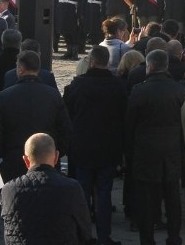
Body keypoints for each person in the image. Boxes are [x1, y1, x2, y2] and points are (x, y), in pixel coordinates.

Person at [63, 45, 127, 245]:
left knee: (82, 193)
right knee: (104, 193)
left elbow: (67, 115)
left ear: (91, 61)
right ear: (107, 62)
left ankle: (83, 235)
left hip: (82, 147)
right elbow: (123, 117)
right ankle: (104, 236)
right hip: (108, 147)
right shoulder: (117, 86)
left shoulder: (77, 85)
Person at [125, 49, 185, 245]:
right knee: (172, 196)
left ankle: (147, 239)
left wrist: (129, 152)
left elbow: (130, 124)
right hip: (171, 150)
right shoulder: (178, 89)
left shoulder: (139, 90)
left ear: (149, 66)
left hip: (145, 151)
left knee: (146, 199)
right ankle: (174, 237)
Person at [0, 50, 72, 182]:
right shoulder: (53, 95)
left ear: (20, 69)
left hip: (13, 160)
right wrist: (55, 153)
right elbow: (65, 128)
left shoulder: (5, 96)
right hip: (46, 160)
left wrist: (3, 154)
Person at [1, 133, 94, 245]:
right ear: (56, 157)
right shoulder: (72, 188)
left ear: (26, 160)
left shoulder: (8, 189)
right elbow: (85, 231)